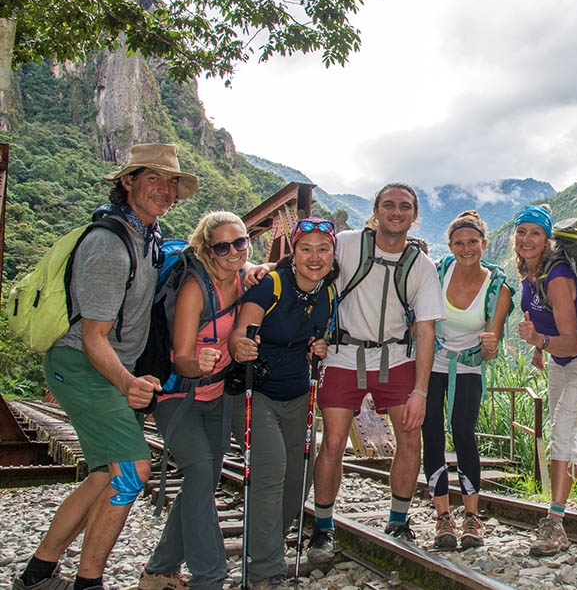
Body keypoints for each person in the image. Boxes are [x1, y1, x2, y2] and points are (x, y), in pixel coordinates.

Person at [12, 143, 198, 590]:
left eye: (171, 181)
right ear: (127, 181)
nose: (165, 189)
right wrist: (128, 381)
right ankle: (88, 583)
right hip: (80, 363)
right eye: (152, 178)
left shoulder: (147, 237)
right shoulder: (108, 246)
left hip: (105, 367)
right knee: (133, 470)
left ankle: (37, 574)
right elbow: (94, 338)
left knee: (103, 476)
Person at [308, 183, 443, 555]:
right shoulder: (349, 244)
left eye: (404, 207)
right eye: (388, 205)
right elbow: (310, 266)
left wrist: (420, 391)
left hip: (395, 357)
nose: (395, 212)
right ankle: (323, 525)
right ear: (376, 210)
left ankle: (398, 521)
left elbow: (427, 330)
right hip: (342, 354)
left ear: (414, 217)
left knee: (410, 437)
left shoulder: (421, 266)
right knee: (333, 441)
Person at [138, 212, 251, 590]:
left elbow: (266, 268)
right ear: (208, 249)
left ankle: (159, 569)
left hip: (216, 397)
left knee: (203, 482)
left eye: (241, 242)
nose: (234, 251)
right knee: (201, 472)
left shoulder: (243, 275)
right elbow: (182, 356)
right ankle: (210, 578)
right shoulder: (193, 288)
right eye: (223, 246)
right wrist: (196, 361)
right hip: (178, 397)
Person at [228, 218, 335, 590]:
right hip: (257, 392)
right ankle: (264, 572)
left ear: (333, 254)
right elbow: (241, 332)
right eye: (306, 248)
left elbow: (318, 334)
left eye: (324, 248)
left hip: (299, 392)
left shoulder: (328, 293)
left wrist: (318, 347)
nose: (315, 257)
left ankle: (269, 546)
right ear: (294, 251)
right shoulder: (270, 285)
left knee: (299, 480)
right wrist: (239, 346)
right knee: (271, 473)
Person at [513, 204, 577, 558]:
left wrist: (539, 341)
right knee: (575, 428)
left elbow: (571, 340)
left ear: (546, 239)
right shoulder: (529, 271)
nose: (527, 239)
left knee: (562, 430)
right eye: (522, 231)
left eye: (535, 233)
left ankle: (554, 522)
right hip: (558, 357)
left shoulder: (556, 276)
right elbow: (544, 319)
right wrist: (541, 346)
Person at [423, 210, 513, 550]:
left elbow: (491, 350)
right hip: (431, 364)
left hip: (469, 368)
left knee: (463, 433)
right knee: (431, 432)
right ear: (449, 246)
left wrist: (491, 344)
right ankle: (443, 517)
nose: (466, 249)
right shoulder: (437, 275)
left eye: (472, 242)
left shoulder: (497, 289)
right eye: (459, 243)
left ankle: (472, 518)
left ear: (483, 244)